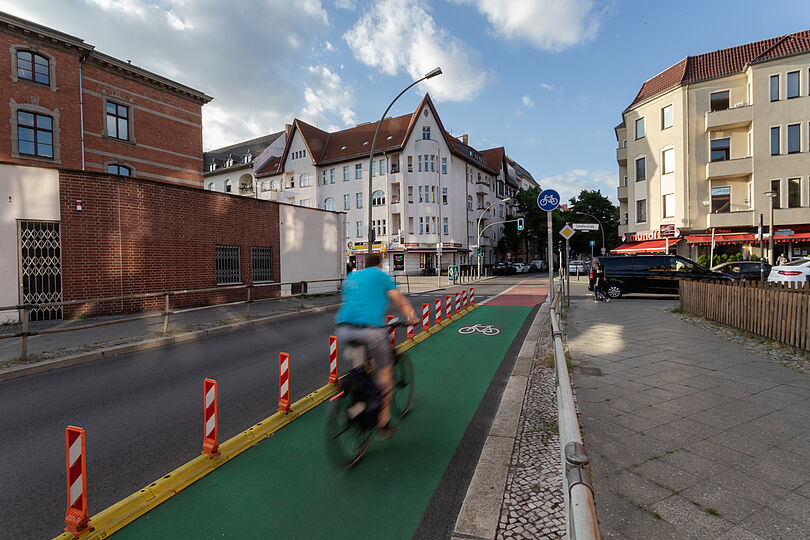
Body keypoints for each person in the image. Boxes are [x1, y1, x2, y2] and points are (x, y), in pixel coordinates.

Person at [335, 254, 418, 438]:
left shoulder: (352, 276)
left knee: (360, 370)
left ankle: (356, 404)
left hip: (344, 329)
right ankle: (383, 423)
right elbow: (399, 300)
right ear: (379, 264)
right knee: (386, 374)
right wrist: (412, 317)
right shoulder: (381, 275)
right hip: (370, 331)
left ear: (365, 264)